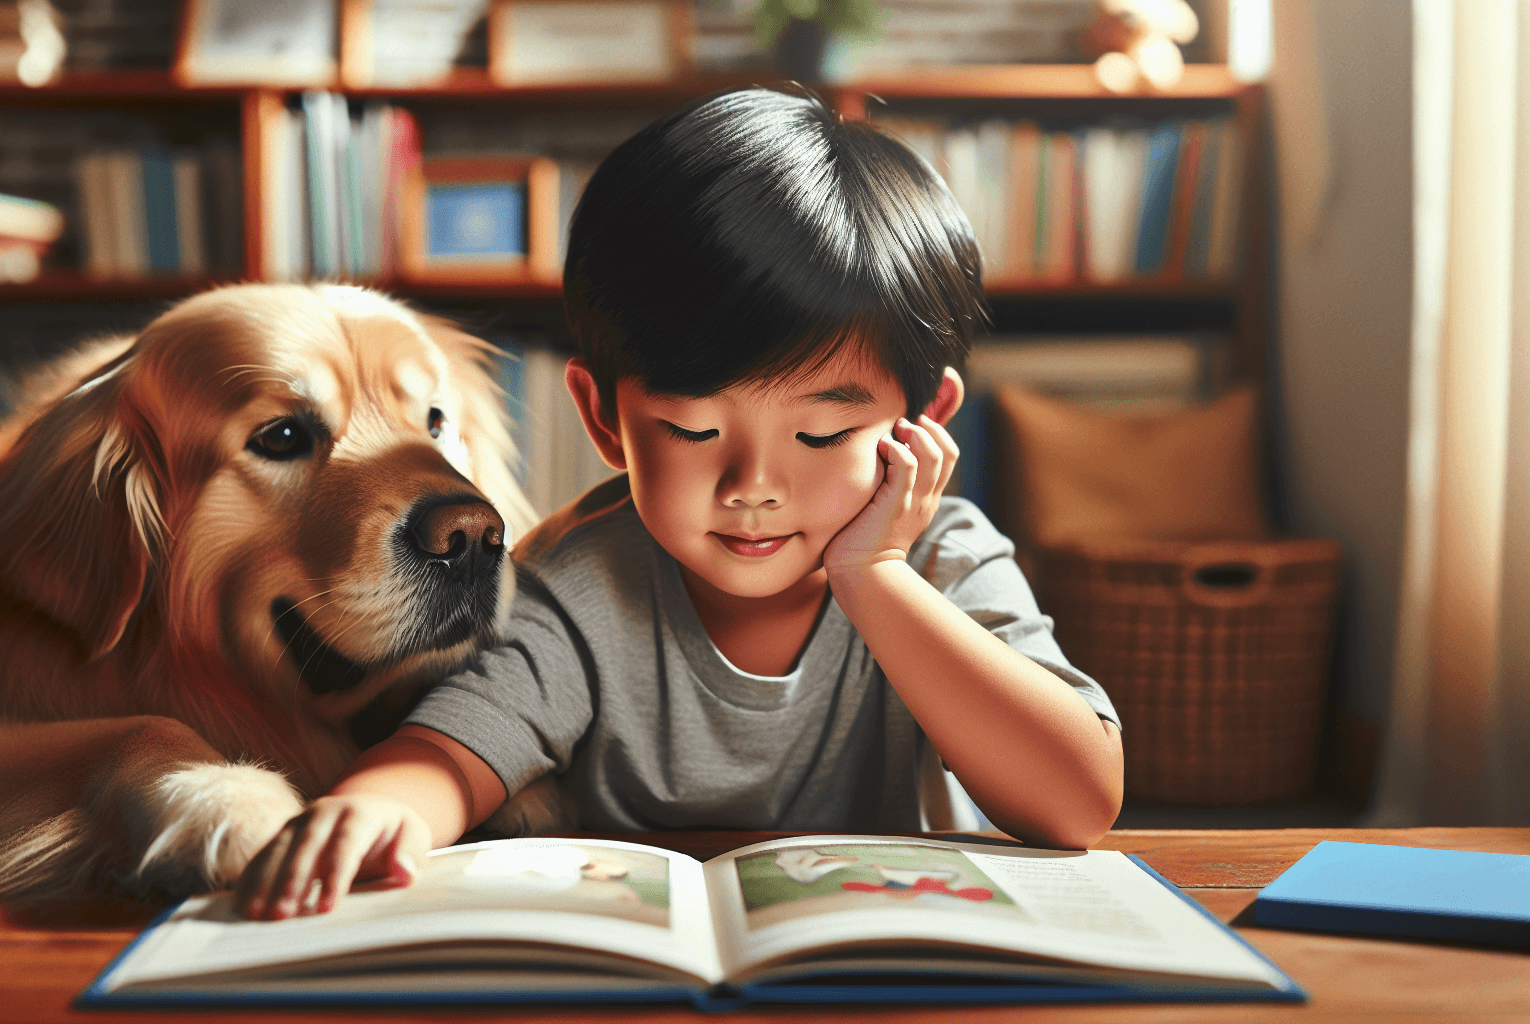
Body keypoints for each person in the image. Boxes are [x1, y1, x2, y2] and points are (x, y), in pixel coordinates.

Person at [237, 87, 1123, 920]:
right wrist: (372, 808)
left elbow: (1079, 802)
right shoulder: (576, 583)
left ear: (922, 423)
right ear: (605, 418)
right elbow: (448, 755)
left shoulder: (944, 557)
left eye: (819, 438)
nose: (753, 489)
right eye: (693, 433)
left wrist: (877, 573)